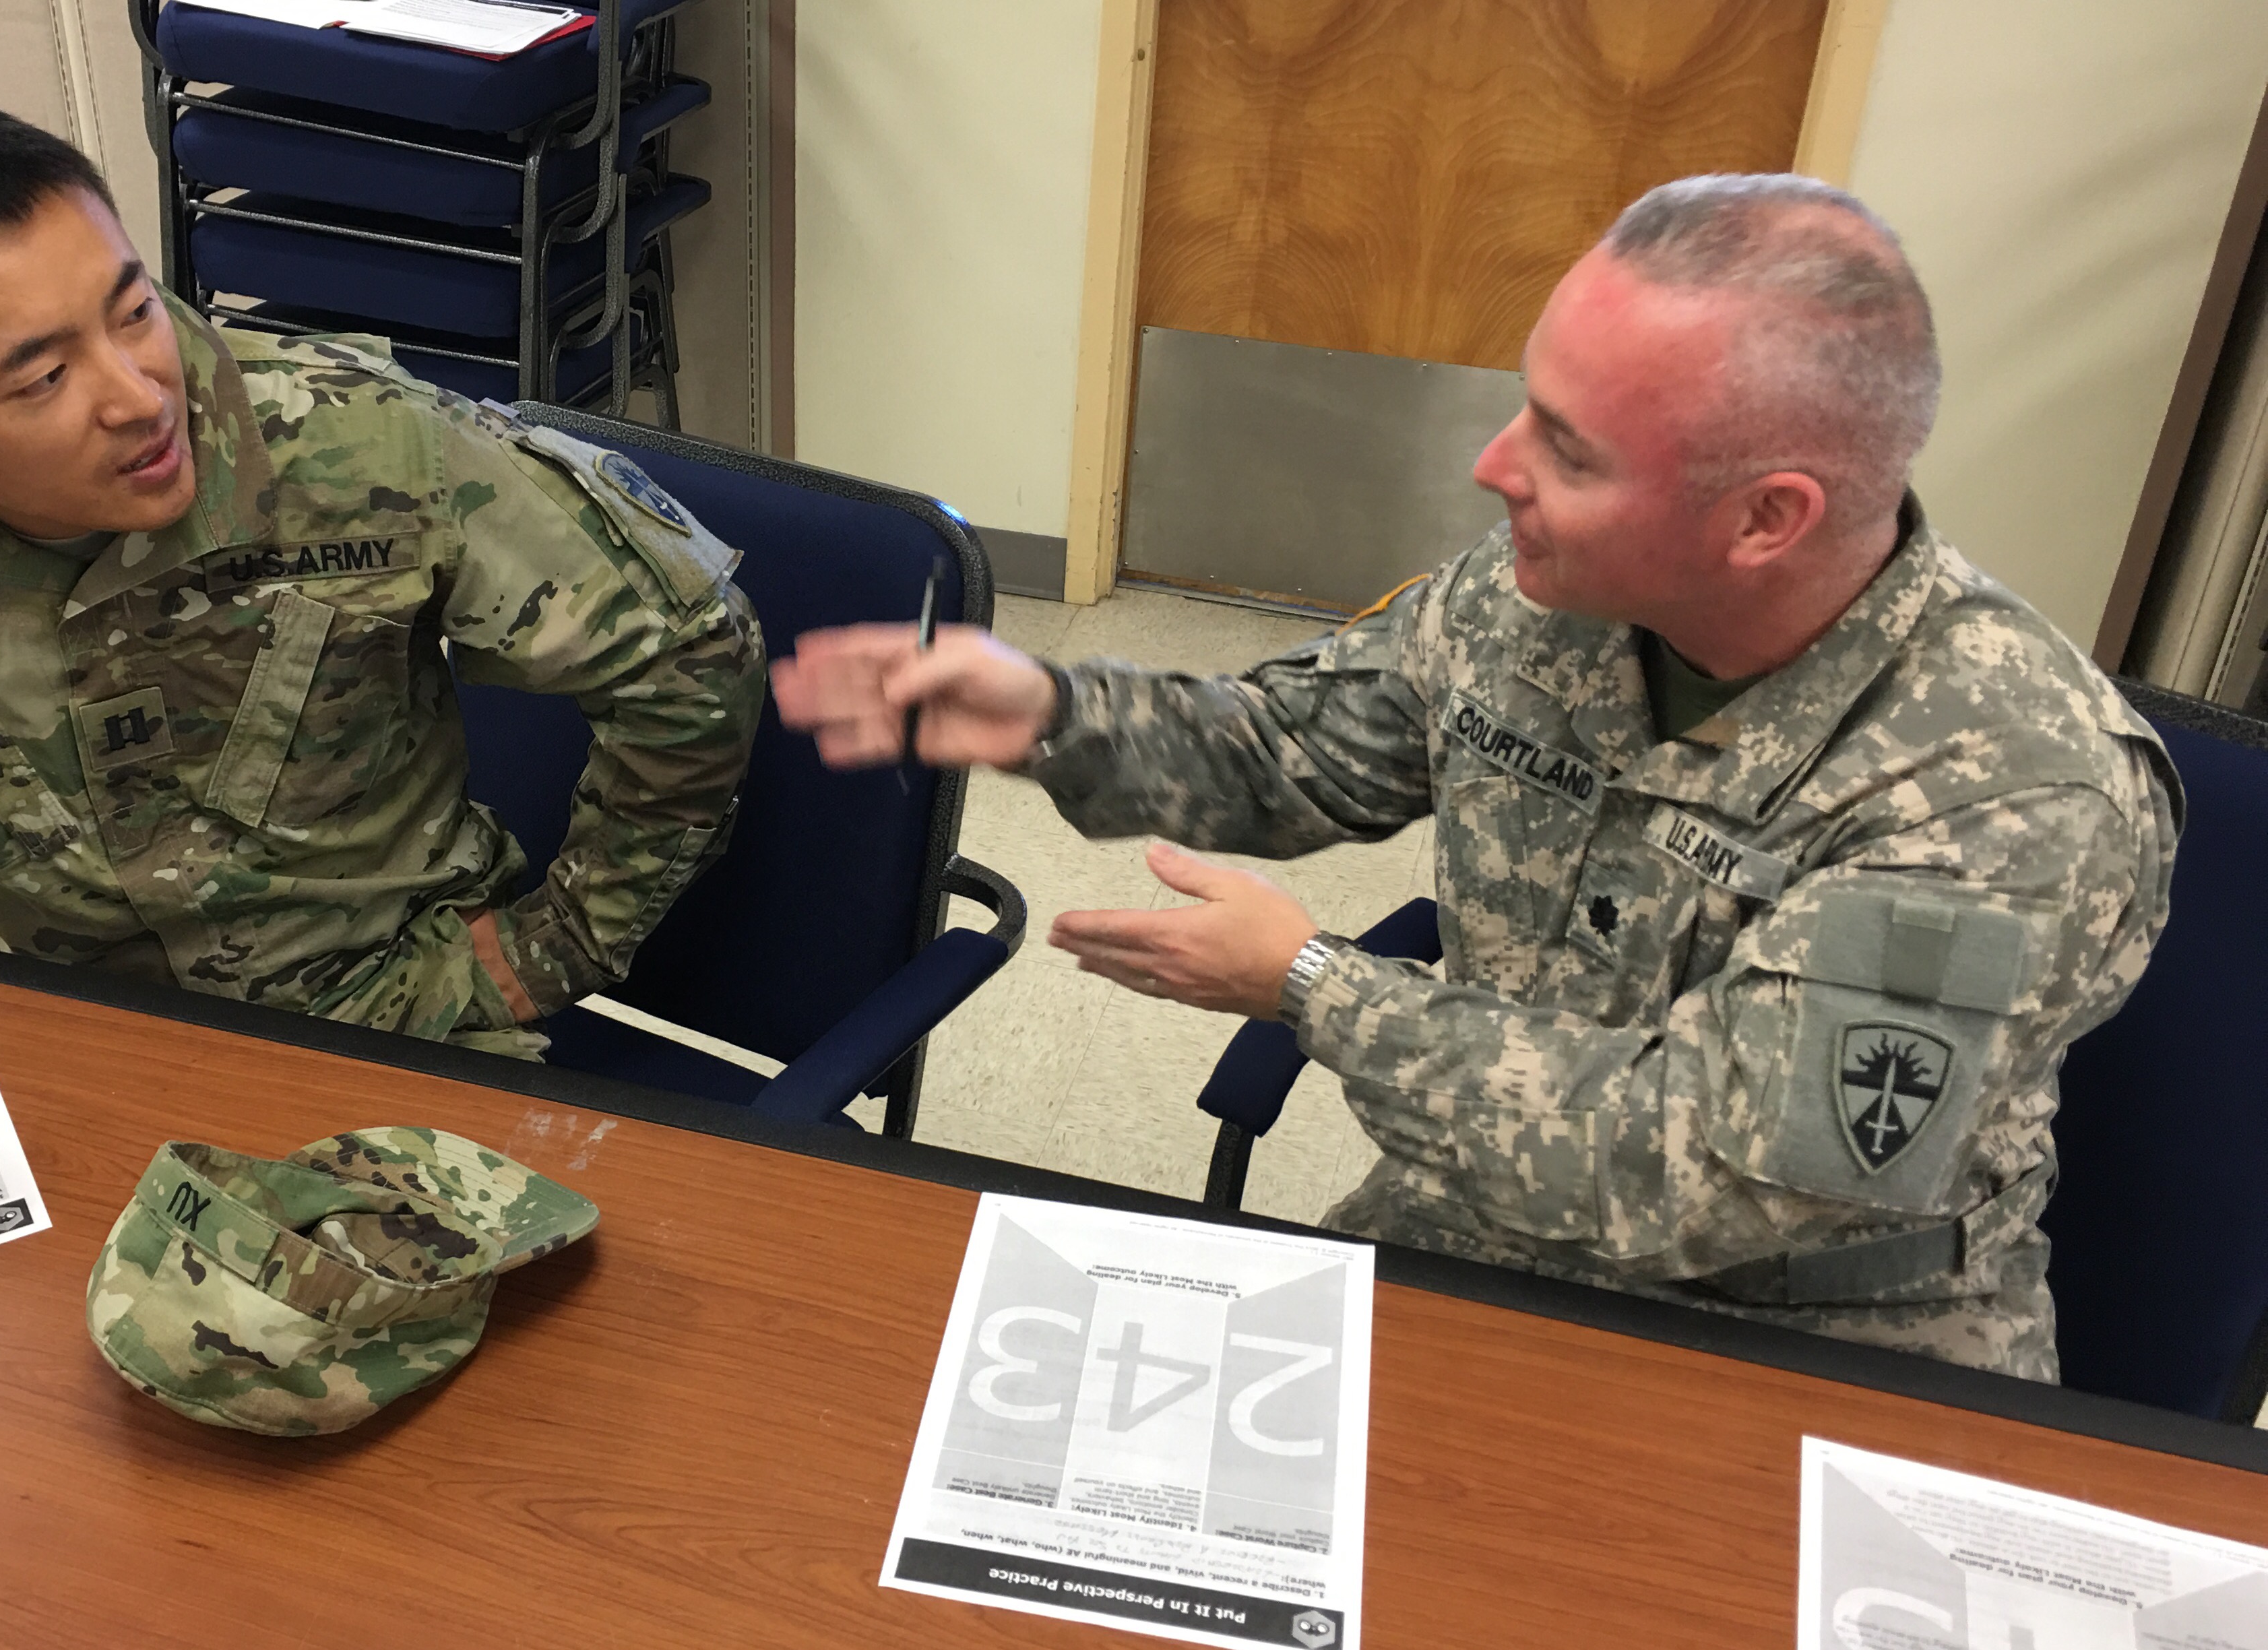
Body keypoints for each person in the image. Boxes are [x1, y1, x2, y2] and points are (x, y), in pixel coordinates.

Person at [774, 175, 2181, 1381]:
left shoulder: (2006, 787)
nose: (1492, 465)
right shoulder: (1537, 601)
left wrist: (1315, 988)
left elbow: (1708, 1173)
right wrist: (1050, 710)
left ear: (1768, 519)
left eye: (1567, 448)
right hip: (1498, 1220)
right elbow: (1298, 750)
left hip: (1827, 1337)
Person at [0, 98, 764, 1208]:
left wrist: (556, 942)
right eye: (42, 376)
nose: (140, 393)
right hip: (80, 1040)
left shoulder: (356, 444)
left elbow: (690, 655)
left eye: (134, 308)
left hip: (395, 1023)